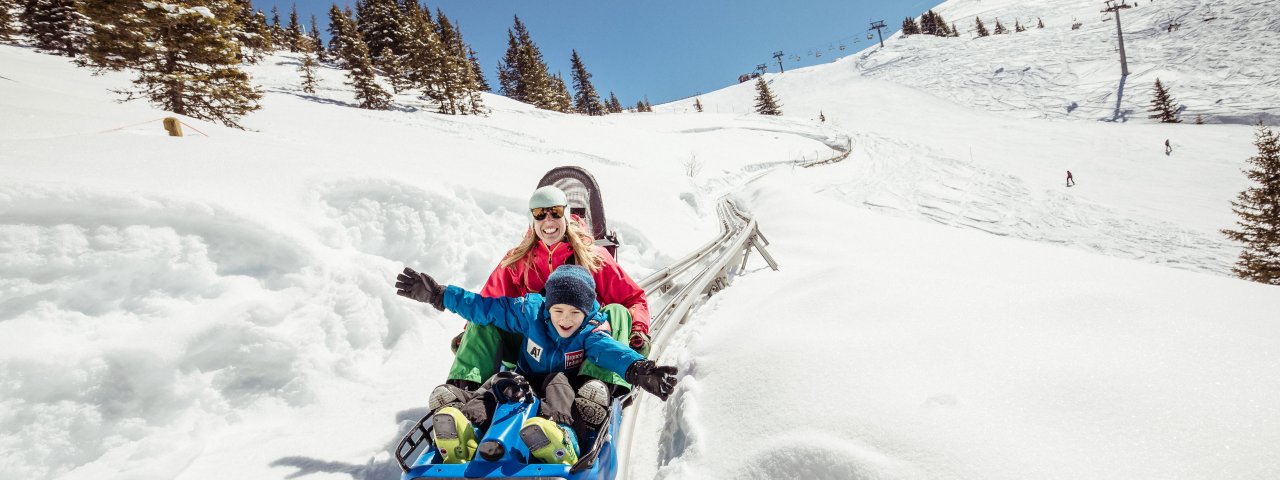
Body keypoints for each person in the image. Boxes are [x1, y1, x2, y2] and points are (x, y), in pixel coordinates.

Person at [396, 264, 679, 465]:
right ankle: (465, 429)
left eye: (574, 313)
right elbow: (485, 308)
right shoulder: (529, 312)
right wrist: (440, 295)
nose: (565, 320)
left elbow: (611, 350)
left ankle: (563, 439)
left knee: (557, 383)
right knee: (495, 385)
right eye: (558, 311)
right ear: (547, 307)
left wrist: (641, 369)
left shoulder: (590, 331)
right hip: (524, 378)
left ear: (587, 311)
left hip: (563, 386)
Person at [446, 186, 652, 394]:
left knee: (617, 311)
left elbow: (633, 299)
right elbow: (488, 301)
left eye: (556, 212)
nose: (548, 220)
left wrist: (637, 331)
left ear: (567, 215)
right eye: (539, 214)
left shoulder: (594, 258)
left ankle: (596, 386)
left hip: (583, 349)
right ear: (532, 219)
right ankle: (463, 388)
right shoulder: (518, 261)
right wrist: (468, 336)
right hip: (532, 351)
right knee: (482, 319)